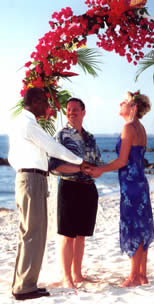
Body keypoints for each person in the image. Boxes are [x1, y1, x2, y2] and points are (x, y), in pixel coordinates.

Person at [8, 88, 83, 300]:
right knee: (34, 233)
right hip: (32, 180)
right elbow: (53, 147)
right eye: (43, 101)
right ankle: (25, 287)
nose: (47, 107)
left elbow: (13, 158)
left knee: (29, 233)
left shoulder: (21, 123)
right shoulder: (29, 125)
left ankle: (23, 284)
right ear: (33, 101)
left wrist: (26, 170)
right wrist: (80, 161)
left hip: (28, 178)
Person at [83, 91, 154, 287]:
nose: (119, 104)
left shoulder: (128, 128)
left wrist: (100, 170)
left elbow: (122, 161)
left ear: (133, 108)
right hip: (140, 183)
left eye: (123, 102)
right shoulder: (141, 128)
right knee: (141, 226)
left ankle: (133, 277)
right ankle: (142, 274)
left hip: (131, 185)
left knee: (134, 227)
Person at [49, 97, 102, 289]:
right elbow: (54, 166)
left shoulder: (91, 137)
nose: (71, 112)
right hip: (69, 188)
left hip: (88, 189)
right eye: (68, 110)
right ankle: (66, 277)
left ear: (83, 112)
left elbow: (98, 162)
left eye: (75, 109)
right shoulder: (61, 136)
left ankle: (77, 275)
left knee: (81, 235)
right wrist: (80, 169)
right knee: (68, 235)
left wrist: (93, 170)